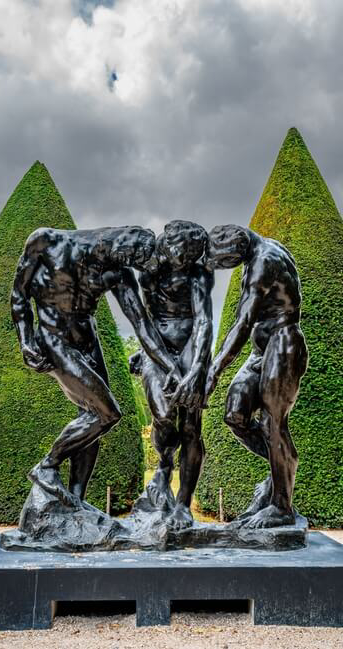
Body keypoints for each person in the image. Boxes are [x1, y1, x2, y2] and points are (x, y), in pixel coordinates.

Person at [12, 226, 181, 508]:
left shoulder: (119, 273)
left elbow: (141, 324)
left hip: (88, 343)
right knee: (107, 413)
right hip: (54, 340)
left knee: (92, 418)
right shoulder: (47, 241)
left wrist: (169, 365)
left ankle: (75, 501)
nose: (128, 267)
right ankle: (47, 465)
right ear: (122, 246)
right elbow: (19, 295)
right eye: (133, 261)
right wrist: (26, 341)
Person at [203, 224, 309, 529]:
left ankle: (281, 506)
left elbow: (243, 322)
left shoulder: (263, 261)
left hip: (283, 343)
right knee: (235, 414)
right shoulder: (258, 250)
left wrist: (213, 372)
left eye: (222, 262)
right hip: (261, 350)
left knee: (272, 423)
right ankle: (281, 470)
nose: (222, 268)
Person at [132, 220, 213, 529]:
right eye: (183, 251)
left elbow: (204, 321)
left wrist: (197, 368)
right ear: (169, 244)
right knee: (163, 415)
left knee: (191, 426)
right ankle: (164, 463)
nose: (186, 258)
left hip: (191, 345)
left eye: (192, 254)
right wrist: (146, 350)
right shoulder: (148, 270)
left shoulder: (198, 273)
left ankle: (183, 504)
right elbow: (145, 316)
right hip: (159, 346)